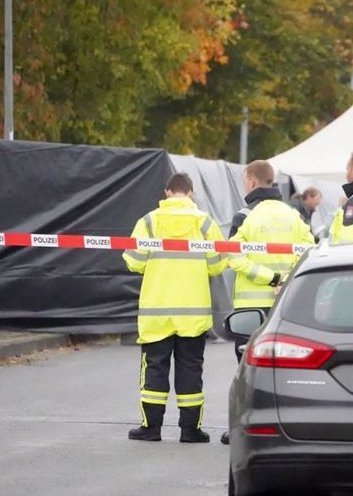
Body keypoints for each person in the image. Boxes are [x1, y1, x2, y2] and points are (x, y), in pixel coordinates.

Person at [122, 173, 227, 444]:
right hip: (193, 313)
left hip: (157, 311)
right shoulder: (205, 223)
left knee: (155, 368)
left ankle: (151, 428)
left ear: (167, 192)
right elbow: (217, 265)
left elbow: (133, 261)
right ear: (190, 193)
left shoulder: (149, 221)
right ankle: (190, 430)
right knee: (190, 369)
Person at [223, 161, 314, 444]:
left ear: (251, 181)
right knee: (286, 364)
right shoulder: (293, 215)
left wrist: (270, 278)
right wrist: (286, 280)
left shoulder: (245, 216)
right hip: (286, 305)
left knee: (247, 368)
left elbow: (233, 256)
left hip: (250, 309)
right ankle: (286, 426)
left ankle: (243, 427)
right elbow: (310, 251)